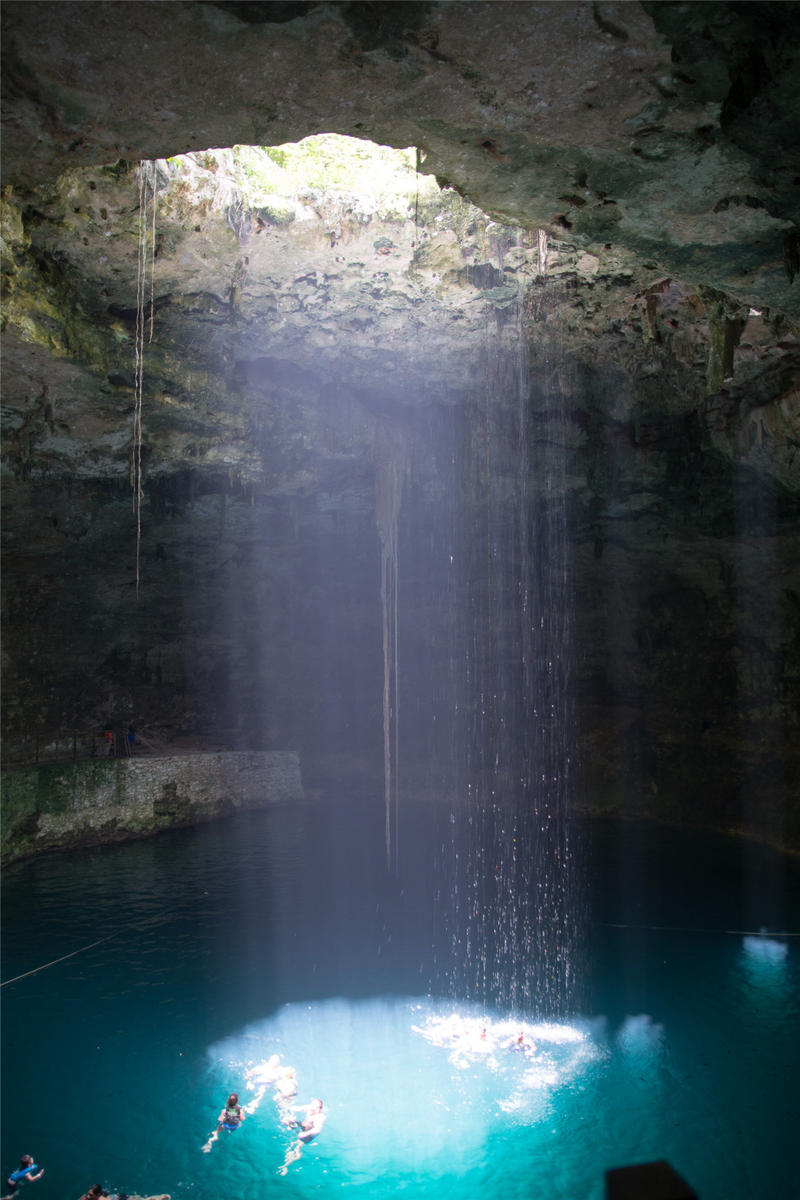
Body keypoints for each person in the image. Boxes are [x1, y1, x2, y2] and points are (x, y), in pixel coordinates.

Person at [278, 1099, 326, 1175]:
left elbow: (317, 1130)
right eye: (312, 1105)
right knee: (286, 1121)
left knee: (296, 1147)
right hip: (304, 1125)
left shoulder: (320, 1118)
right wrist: (287, 1106)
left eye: (314, 1107)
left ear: (319, 1108)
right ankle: (294, 1129)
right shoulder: (310, 1108)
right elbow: (298, 1108)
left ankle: (286, 1165)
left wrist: (305, 1134)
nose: (312, 1108)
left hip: (310, 1133)